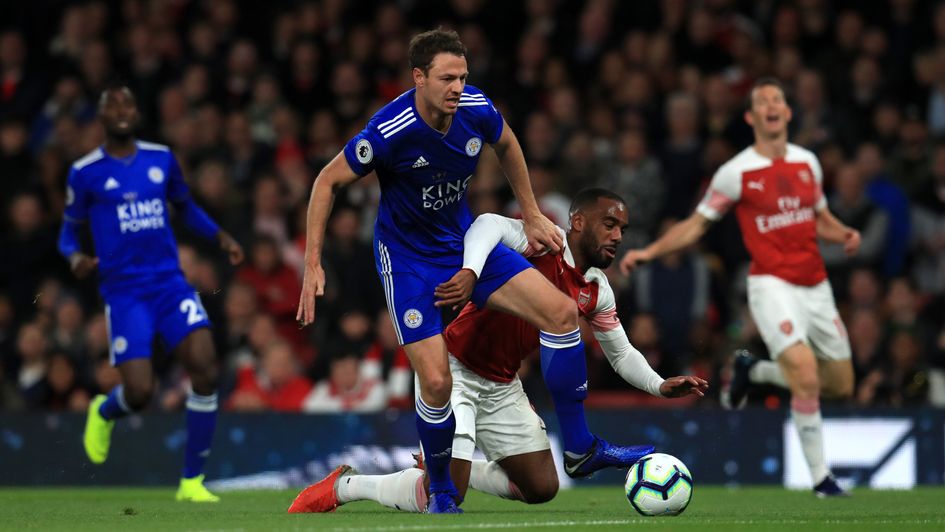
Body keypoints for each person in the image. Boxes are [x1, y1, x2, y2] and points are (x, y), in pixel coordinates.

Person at [296, 29, 607, 513]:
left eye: (462, 76)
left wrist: (528, 208)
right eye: (446, 78)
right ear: (418, 78)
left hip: (463, 245)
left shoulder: (475, 109)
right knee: (437, 383)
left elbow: (506, 142)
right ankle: (437, 488)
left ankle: (580, 446)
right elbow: (326, 180)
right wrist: (313, 262)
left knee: (562, 313)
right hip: (407, 261)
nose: (457, 86)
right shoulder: (390, 130)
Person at [288, 188, 707, 514]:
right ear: (578, 222)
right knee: (444, 492)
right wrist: (471, 270)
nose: (617, 236)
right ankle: (347, 486)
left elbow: (620, 352)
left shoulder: (597, 288)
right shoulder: (544, 241)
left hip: (503, 384)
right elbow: (486, 224)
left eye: (622, 230)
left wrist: (657, 384)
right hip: (454, 368)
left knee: (541, 488)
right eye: (609, 224)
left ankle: (452, 468)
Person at [620, 78, 860, 497]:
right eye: (761, 100)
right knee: (804, 373)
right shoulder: (736, 172)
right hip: (771, 285)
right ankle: (822, 478)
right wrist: (651, 252)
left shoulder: (808, 163)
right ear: (751, 117)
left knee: (840, 384)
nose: (770, 105)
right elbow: (696, 224)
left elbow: (820, 216)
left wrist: (843, 235)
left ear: (786, 113)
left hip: (815, 285)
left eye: (777, 100)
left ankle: (756, 370)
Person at [58, 84, 244, 502]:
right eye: (113, 104)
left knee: (205, 366)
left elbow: (186, 207)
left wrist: (221, 237)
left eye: (128, 103)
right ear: (101, 115)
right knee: (140, 392)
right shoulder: (85, 172)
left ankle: (192, 482)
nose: (122, 110)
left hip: (170, 283)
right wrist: (75, 259)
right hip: (125, 294)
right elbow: (67, 235)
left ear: (137, 112)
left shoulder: (161, 158)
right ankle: (104, 411)